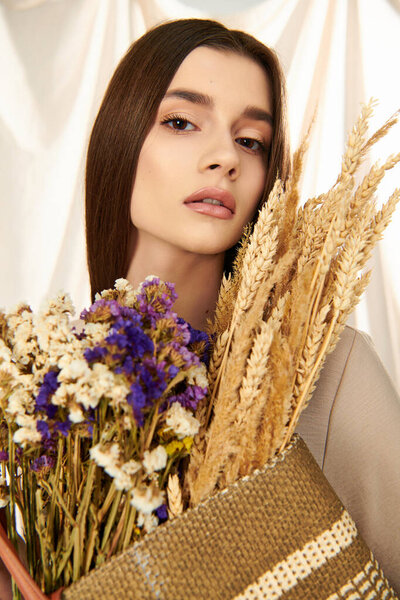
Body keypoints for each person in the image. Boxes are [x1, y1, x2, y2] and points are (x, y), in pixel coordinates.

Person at [1, 18, 399, 598]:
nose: (224, 158)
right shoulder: (44, 390)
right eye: (182, 122)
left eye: (250, 141)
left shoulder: (325, 372)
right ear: (120, 137)